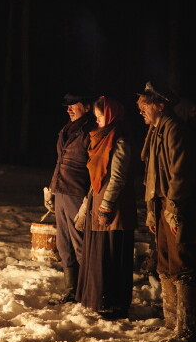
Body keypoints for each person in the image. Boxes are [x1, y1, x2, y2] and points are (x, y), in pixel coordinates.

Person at [137, 81, 196, 342]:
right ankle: (173, 324)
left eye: (145, 106)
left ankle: (188, 332)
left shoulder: (174, 130)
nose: (141, 112)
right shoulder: (157, 131)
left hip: (182, 210)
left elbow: (181, 174)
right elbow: (152, 174)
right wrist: (152, 210)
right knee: (166, 265)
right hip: (163, 207)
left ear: (160, 105)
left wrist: (173, 209)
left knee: (184, 267)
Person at [73, 96, 136, 319]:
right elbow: (95, 179)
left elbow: (117, 177)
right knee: (99, 252)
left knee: (111, 253)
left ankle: (113, 303)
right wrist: (85, 208)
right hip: (98, 203)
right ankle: (97, 300)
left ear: (111, 116)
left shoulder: (119, 141)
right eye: (97, 117)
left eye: (100, 117)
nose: (97, 121)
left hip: (114, 208)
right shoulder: (101, 140)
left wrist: (106, 206)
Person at [45, 91, 97, 303]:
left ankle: (87, 292)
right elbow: (60, 162)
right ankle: (71, 290)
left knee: (80, 243)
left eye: (73, 105)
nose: (68, 109)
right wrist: (51, 188)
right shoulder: (67, 130)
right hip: (62, 190)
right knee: (64, 242)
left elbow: (94, 167)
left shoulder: (90, 131)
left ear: (86, 107)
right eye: (67, 106)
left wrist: (89, 196)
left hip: (77, 192)